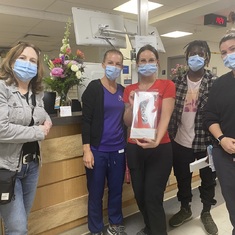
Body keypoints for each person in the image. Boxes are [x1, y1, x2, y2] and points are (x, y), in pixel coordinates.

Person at [0, 42, 52, 234]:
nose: (27, 64)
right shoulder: (2, 89)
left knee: (20, 223)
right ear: (12, 61)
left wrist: (47, 122)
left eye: (32, 61)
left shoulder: (36, 92)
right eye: (22, 58)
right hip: (7, 168)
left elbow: (42, 114)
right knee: (18, 229)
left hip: (32, 166)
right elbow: (1, 129)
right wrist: (38, 132)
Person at [123, 44, 175, 235]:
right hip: (135, 147)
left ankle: (158, 231)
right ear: (137, 64)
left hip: (160, 148)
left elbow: (166, 117)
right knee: (140, 195)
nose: (147, 64)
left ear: (157, 62)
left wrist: (156, 140)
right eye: (142, 61)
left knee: (153, 196)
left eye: (151, 60)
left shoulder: (167, 85)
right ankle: (150, 227)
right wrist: (129, 106)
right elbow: (127, 121)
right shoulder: (130, 89)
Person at [168, 40, 218, 235]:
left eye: (200, 54)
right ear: (187, 56)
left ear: (206, 57)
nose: (195, 57)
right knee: (182, 179)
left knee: (208, 180)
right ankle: (185, 209)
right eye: (192, 53)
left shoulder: (215, 83)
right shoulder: (176, 83)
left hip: (206, 144)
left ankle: (206, 212)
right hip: (180, 142)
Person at [81, 49, 127, 235]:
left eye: (118, 64)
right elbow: (86, 121)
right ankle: (96, 229)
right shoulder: (93, 88)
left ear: (122, 68)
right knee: (96, 193)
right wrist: (87, 150)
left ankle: (115, 225)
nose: (113, 67)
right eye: (110, 63)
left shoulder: (123, 91)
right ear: (103, 64)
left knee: (116, 190)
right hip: (97, 150)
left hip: (119, 149)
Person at [204, 29, 235, 235]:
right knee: (232, 202)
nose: (228, 55)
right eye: (223, 52)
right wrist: (222, 138)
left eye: (232, 49)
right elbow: (210, 117)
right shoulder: (220, 84)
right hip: (225, 153)